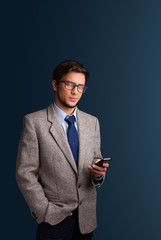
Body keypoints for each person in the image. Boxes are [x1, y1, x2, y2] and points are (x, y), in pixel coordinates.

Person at [16, 60, 109, 240]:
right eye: (69, 84)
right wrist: (45, 211)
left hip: (86, 219)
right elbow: (24, 173)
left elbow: (95, 163)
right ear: (55, 85)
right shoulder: (34, 123)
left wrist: (98, 174)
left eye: (80, 86)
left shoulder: (93, 122)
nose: (75, 91)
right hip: (54, 221)